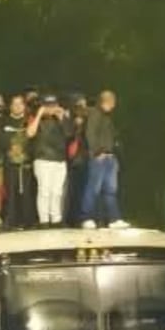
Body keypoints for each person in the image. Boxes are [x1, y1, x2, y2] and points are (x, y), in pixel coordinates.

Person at [81, 90, 129, 229]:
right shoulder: (95, 114)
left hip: (109, 157)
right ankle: (86, 217)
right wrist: (97, 152)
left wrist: (113, 154)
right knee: (93, 188)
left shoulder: (107, 117)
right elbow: (90, 134)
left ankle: (114, 218)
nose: (114, 105)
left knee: (110, 190)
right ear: (107, 101)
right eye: (112, 102)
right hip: (99, 157)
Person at [28, 94, 74, 227]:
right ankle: (44, 220)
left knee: (57, 192)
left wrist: (62, 118)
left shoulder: (62, 119)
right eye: (48, 106)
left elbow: (69, 134)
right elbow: (30, 133)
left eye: (53, 105)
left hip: (59, 160)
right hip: (43, 159)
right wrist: (39, 115)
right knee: (44, 191)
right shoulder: (36, 118)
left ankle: (56, 219)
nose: (51, 109)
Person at [2, 95, 36, 229]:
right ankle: (12, 220)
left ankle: (27, 221)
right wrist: (11, 149)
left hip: (26, 163)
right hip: (10, 163)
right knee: (11, 192)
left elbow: (33, 139)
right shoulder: (3, 122)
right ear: (10, 106)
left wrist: (27, 154)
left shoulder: (29, 121)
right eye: (14, 104)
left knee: (27, 192)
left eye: (20, 104)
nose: (17, 107)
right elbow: (0, 139)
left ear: (24, 106)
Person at [65, 93, 90, 227]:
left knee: (79, 188)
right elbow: (71, 136)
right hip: (77, 158)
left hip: (81, 157)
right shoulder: (73, 118)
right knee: (76, 189)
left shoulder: (85, 117)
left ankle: (76, 217)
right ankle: (74, 218)